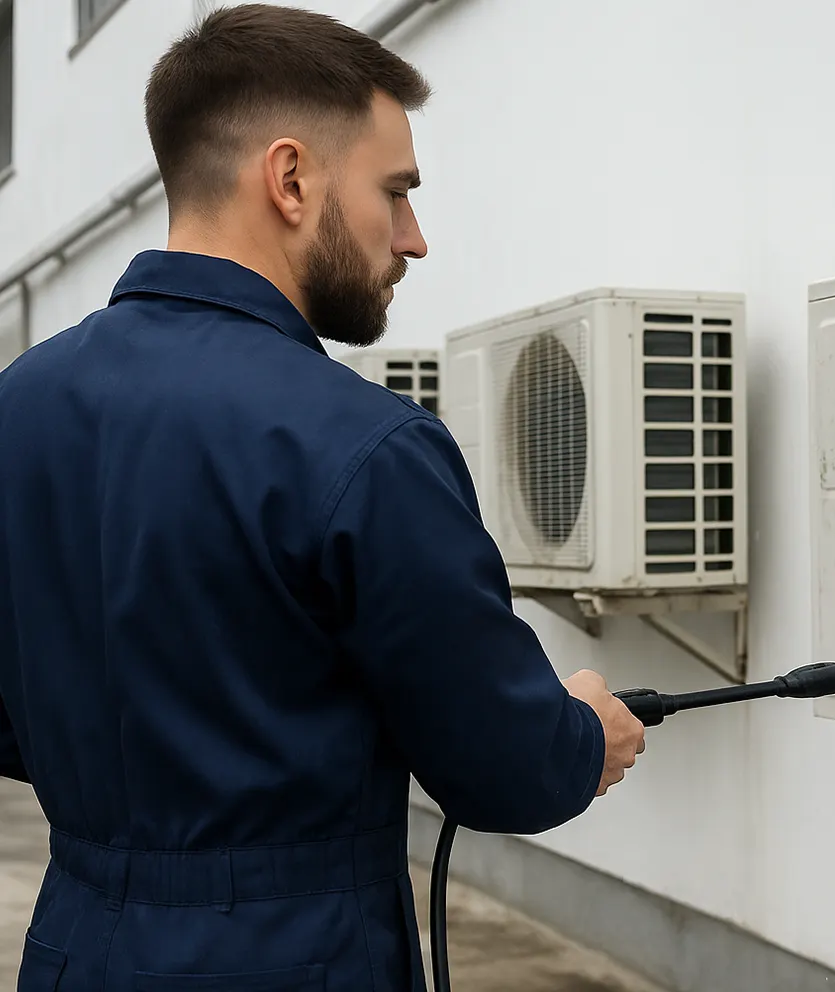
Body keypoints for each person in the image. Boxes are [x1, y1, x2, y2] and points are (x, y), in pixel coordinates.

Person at [0, 5, 645, 989]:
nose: (415, 238)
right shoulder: (364, 444)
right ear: (291, 178)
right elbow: (502, 766)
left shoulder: (19, 406)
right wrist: (585, 728)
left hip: (75, 949)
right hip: (292, 959)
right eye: (396, 192)